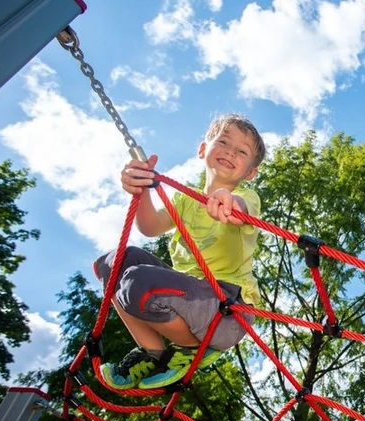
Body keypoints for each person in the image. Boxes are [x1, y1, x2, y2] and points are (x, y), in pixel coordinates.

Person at [93, 113, 266, 390]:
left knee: (137, 281)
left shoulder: (247, 198)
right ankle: (153, 352)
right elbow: (149, 227)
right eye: (223, 142)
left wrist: (229, 203)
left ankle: (189, 348)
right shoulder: (185, 199)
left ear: (250, 173)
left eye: (242, 151)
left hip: (227, 308)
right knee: (112, 263)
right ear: (202, 149)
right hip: (187, 299)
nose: (230, 152)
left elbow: (241, 211)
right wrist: (142, 189)